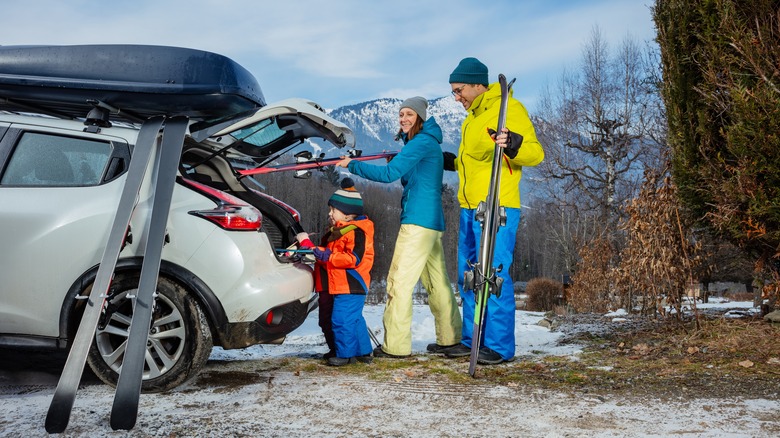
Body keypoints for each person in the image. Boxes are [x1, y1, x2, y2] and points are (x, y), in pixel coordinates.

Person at [336, 96, 462, 358]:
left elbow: (388, 175)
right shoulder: (424, 144)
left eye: (409, 114)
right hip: (431, 223)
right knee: (437, 283)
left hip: (417, 222)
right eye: (401, 114)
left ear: (420, 118)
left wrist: (353, 165)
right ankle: (450, 339)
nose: (404, 118)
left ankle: (395, 347)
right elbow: (410, 172)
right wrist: (398, 157)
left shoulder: (421, 143)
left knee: (398, 283)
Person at [442, 57, 544, 365]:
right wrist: (452, 162)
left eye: (459, 91)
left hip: (497, 206)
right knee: (471, 275)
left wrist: (514, 143)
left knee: (493, 273)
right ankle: (472, 339)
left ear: (477, 84)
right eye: (454, 92)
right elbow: (476, 162)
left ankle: (498, 345)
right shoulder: (471, 118)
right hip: (469, 206)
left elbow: (535, 153)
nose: (456, 98)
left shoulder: (508, 108)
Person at [297, 178, 375, 366]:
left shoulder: (356, 232)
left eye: (333, 210)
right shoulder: (337, 232)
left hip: (351, 284)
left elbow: (352, 259)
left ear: (348, 214)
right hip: (337, 285)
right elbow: (326, 255)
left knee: (342, 320)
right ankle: (362, 352)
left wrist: (324, 254)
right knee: (348, 319)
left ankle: (345, 355)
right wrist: (311, 248)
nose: (329, 213)